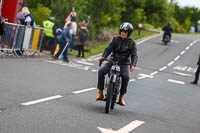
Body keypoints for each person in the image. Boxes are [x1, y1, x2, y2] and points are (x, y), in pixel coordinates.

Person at [96, 22, 138, 106]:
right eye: (122, 30)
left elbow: (134, 55)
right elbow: (108, 49)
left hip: (124, 64)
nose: (123, 32)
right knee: (101, 71)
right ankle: (100, 93)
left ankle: (121, 97)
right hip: (112, 61)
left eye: (125, 31)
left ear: (128, 33)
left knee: (126, 77)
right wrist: (103, 56)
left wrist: (132, 65)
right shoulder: (115, 39)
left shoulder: (132, 43)